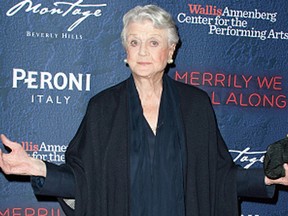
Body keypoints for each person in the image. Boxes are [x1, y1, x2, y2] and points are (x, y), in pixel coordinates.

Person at [0, 4, 288, 216]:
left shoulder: (195, 105)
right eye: (134, 42)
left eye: (153, 42)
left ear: (171, 51)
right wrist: (37, 168)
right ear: (125, 52)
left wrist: (268, 176)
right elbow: (85, 183)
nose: (142, 51)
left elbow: (218, 178)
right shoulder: (102, 109)